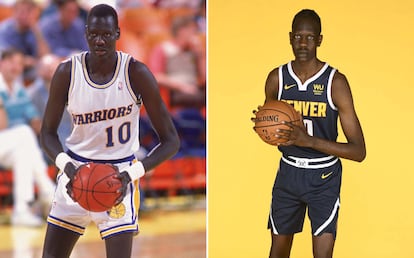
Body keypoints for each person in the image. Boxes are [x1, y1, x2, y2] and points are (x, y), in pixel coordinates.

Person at [40, 4, 180, 258]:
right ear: (86, 34)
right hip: (74, 174)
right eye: (93, 34)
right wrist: (68, 168)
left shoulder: (136, 73)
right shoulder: (67, 72)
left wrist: (130, 175)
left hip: (119, 176)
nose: (99, 40)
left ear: (117, 33)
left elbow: (171, 141)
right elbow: (47, 134)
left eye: (105, 34)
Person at [253, 9, 366, 258]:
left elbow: (358, 151)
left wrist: (309, 141)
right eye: (298, 37)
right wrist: (266, 126)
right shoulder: (277, 79)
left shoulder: (335, 83)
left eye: (309, 37)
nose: (303, 43)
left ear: (320, 40)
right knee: (278, 252)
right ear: (290, 37)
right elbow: (275, 128)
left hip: (323, 177)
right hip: (289, 172)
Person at [0, 48, 55, 227]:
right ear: (2, 63)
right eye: (12, 63)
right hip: (7, 138)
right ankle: (49, 193)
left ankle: (22, 211)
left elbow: (35, 122)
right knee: (24, 133)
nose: (16, 68)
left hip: (9, 145)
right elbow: (2, 125)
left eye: (19, 64)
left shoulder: (20, 89)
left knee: (23, 153)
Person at [0, 0, 51, 84]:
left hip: (31, 70)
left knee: (49, 66)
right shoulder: (4, 29)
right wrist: (24, 61)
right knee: (14, 66)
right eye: (22, 11)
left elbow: (45, 56)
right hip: (11, 68)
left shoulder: (35, 29)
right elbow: (4, 57)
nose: (25, 15)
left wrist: (37, 33)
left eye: (29, 11)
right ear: (14, 12)